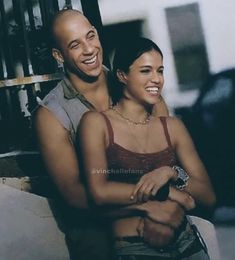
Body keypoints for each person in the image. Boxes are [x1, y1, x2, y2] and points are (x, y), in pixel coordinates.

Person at [34, 9, 185, 260]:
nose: (89, 49)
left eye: (91, 36)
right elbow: (76, 196)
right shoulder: (51, 115)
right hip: (99, 232)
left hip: (162, 214)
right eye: (75, 44)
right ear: (58, 55)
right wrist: (148, 207)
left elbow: (172, 159)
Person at [78, 37, 217, 259]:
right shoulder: (96, 123)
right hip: (136, 248)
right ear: (122, 75)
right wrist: (168, 192)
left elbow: (207, 196)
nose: (156, 79)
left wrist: (171, 173)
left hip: (187, 244)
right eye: (145, 71)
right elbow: (99, 192)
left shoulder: (172, 127)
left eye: (160, 71)